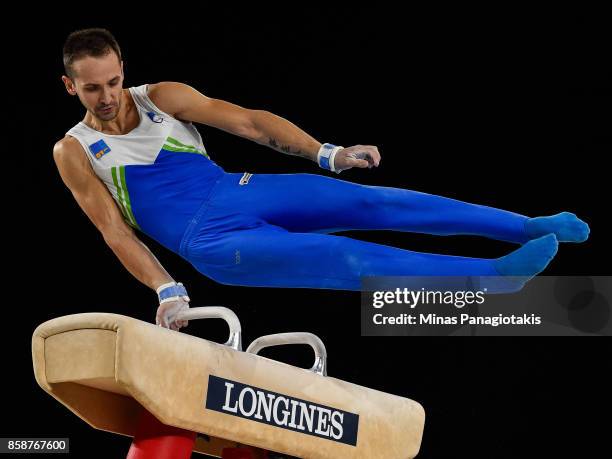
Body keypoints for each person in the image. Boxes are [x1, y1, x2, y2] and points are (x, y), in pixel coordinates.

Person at [54, 28, 590, 331]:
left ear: (124, 68)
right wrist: (166, 289)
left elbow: (249, 122)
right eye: (92, 88)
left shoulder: (161, 97)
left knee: (367, 201)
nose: (108, 97)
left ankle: (524, 225)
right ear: (70, 87)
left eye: (114, 81)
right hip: (215, 241)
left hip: (237, 190)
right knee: (348, 260)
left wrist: (326, 153)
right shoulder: (75, 150)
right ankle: (492, 278)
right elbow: (115, 232)